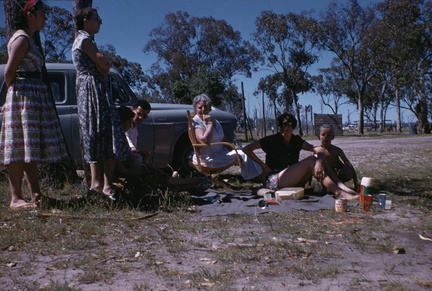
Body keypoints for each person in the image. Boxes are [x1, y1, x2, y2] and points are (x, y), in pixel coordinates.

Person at [0, 0, 67, 209]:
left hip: (32, 95)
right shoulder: (21, 38)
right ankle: (15, 198)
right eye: (42, 14)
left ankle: (36, 193)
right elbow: (9, 72)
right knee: (19, 147)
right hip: (23, 97)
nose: (45, 18)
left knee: (29, 148)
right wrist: (14, 98)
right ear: (30, 14)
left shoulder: (30, 38)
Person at [72, 8, 130, 200]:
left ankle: (102, 184)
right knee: (101, 132)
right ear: (86, 20)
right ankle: (101, 184)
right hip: (93, 92)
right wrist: (101, 65)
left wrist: (102, 66)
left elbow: (103, 66)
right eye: (97, 19)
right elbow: (104, 64)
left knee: (99, 134)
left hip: (92, 91)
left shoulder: (84, 40)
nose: (100, 22)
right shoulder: (85, 40)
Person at [243, 113, 359, 200]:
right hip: (274, 180)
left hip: (292, 179)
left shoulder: (296, 140)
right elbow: (247, 149)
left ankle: (342, 187)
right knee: (311, 160)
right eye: (282, 130)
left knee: (319, 159)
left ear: (293, 129)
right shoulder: (270, 140)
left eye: (288, 130)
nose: (284, 133)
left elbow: (319, 149)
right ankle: (338, 192)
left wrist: (319, 161)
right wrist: (262, 165)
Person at [116, 106, 211, 192]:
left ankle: (196, 183)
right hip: (132, 170)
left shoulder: (125, 133)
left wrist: (145, 160)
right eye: (128, 122)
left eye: (144, 116)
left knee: (161, 177)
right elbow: (114, 160)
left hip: (139, 166)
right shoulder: (118, 138)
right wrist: (128, 172)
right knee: (164, 180)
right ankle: (198, 181)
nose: (130, 124)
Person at [192, 93, 263, 181]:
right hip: (208, 158)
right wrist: (209, 124)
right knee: (242, 154)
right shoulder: (197, 121)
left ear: (209, 108)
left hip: (220, 154)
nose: (203, 110)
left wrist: (232, 147)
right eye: (200, 107)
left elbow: (222, 138)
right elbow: (204, 140)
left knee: (243, 151)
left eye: (205, 107)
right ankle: (259, 178)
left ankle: (258, 175)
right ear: (195, 109)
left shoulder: (214, 120)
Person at [318, 124, 359, 191]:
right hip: (325, 172)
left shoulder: (337, 150)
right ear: (318, 137)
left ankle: (340, 184)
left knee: (346, 172)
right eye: (323, 135)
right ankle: (324, 188)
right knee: (319, 170)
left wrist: (356, 182)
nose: (325, 137)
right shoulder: (317, 150)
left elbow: (349, 165)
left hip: (338, 171)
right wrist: (309, 185)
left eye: (328, 135)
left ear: (333, 137)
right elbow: (311, 168)